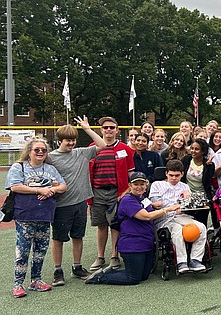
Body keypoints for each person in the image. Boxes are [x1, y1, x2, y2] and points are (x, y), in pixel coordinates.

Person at [84, 172, 180, 285]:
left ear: (146, 185)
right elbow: (146, 216)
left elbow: (148, 208)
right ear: (130, 185)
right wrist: (168, 209)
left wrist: (154, 205)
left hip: (146, 243)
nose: (139, 187)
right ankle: (100, 277)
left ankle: (110, 272)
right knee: (133, 279)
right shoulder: (127, 200)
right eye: (136, 184)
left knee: (144, 276)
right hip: (132, 245)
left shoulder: (144, 199)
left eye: (142, 184)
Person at [6, 137, 68, 298]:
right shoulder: (19, 167)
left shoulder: (50, 169)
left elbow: (62, 186)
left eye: (43, 150)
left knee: (40, 250)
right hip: (25, 215)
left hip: (45, 216)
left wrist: (52, 190)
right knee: (23, 251)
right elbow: (15, 186)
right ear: (29, 151)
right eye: (37, 150)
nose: (40, 152)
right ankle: (18, 284)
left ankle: (36, 280)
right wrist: (39, 190)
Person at [49, 117, 105, 286]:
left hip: (80, 203)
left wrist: (87, 129)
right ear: (60, 141)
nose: (71, 143)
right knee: (58, 238)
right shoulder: (51, 157)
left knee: (78, 236)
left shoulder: (81, 152)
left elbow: (102, 145)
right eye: (68, 140)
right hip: (61, 204)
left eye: (73, 140)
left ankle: (77, 266)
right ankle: (58, 270)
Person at [88, 116, 135, 272]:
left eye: (112, 127)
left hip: (117, 192)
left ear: (117, 130)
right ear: (101, 130)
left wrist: (127, 192)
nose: (108, 130)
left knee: (115, 225)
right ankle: (100, 256)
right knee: (101, 225)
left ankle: (115, 256)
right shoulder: (92, 148)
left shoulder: (125, 149)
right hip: (98, 192)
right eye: (105, 128)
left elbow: (131, 175)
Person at [149, 160, 208, 273]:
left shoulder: (185, 186)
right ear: (166, 173)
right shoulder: (157, 185)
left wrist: (188, 199)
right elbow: (156, 204)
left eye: (177, 175)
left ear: (182, 174)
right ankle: (181, 262)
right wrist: (167, 206)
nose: (174, 178)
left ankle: (196, 260)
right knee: (178, 230)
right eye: (171, 175)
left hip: (182, 216)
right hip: (165, 218)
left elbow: (191, 206)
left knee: (201, 227)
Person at [181, 138, 215, 227]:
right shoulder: (186, 160)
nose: (193, 151)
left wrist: (208, 167)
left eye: (196, 149)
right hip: (187, 195)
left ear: (203, 151)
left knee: (201, 223)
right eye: (192, 148)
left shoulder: (209, 165)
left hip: (202, 196)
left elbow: (207, 182)